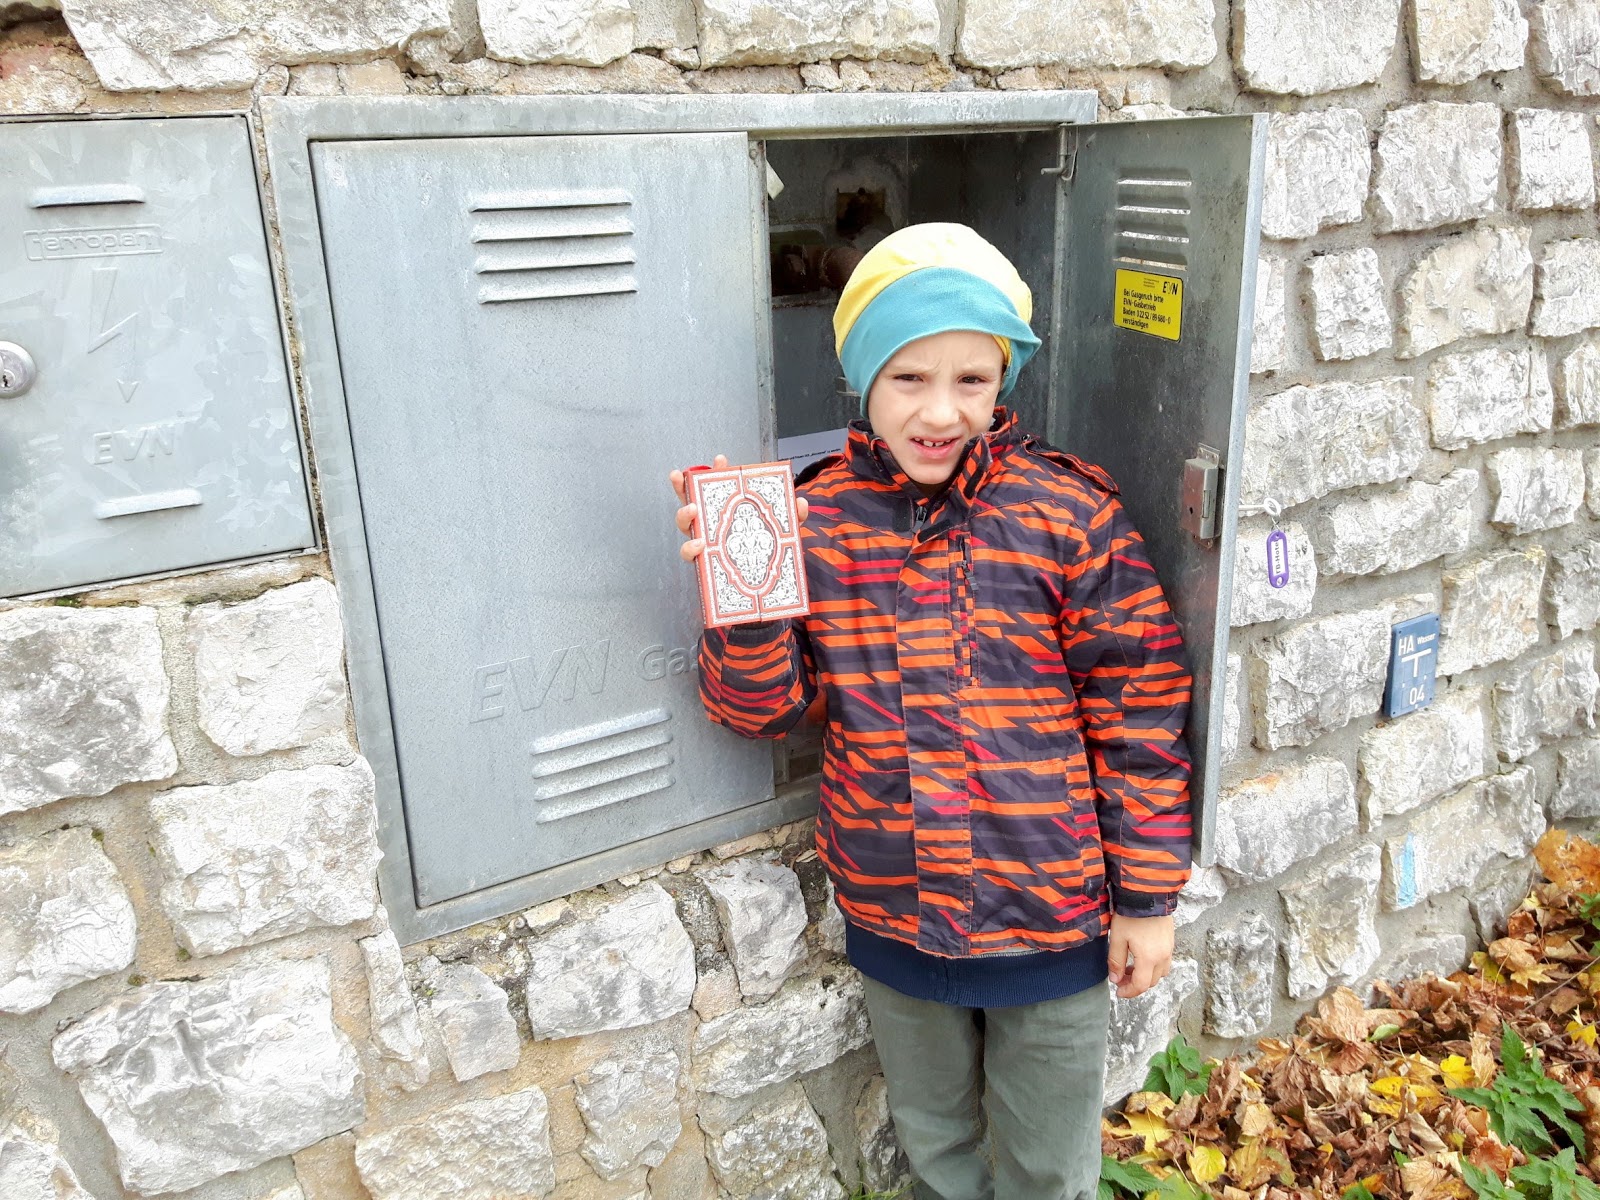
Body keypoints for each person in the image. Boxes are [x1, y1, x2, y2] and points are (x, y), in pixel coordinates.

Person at [669, 223, 1193, 1200]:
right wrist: (743, 601)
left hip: (1050, 915)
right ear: (862, 377)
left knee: (1048, 1170)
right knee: (937, 1152)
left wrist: (1146, 899)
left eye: (971, 380)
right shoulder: (811, 516)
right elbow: (763, 708)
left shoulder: (1068, 515)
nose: (940, 410)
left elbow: (1139, 712)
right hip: (895, 909)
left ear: (1004, 383)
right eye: (909, 377)